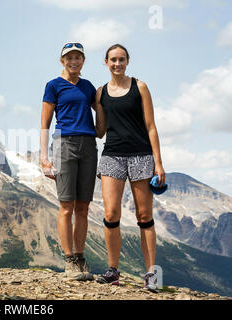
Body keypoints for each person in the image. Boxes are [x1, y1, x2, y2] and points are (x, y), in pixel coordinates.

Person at [94, 44, 165, 292]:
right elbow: (100, 130)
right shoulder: (100, 93)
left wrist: (158, 163)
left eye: (121, 59)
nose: (117, 64)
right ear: (106, 62)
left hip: (141, 155)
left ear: (127, 61)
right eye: (113, 60)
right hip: (112, 155)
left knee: (144, 216)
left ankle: (151, 274)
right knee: (111, 214)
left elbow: (151, 126)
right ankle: (113, 271)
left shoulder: (140, 87)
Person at [40, 42, 102, 281]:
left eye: (78, 57)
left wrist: (103, 129)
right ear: (62, 60)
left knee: (83, 207)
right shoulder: (53, 85)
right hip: (64, 143)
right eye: (69, 57)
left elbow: (101, 111)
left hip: (88, 145)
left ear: (83, 61)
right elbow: (44, 123)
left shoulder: (88, 87)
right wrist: (44, 157)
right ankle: (68, 260)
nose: (73, 61)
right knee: (66, 206)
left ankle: (80, 256)